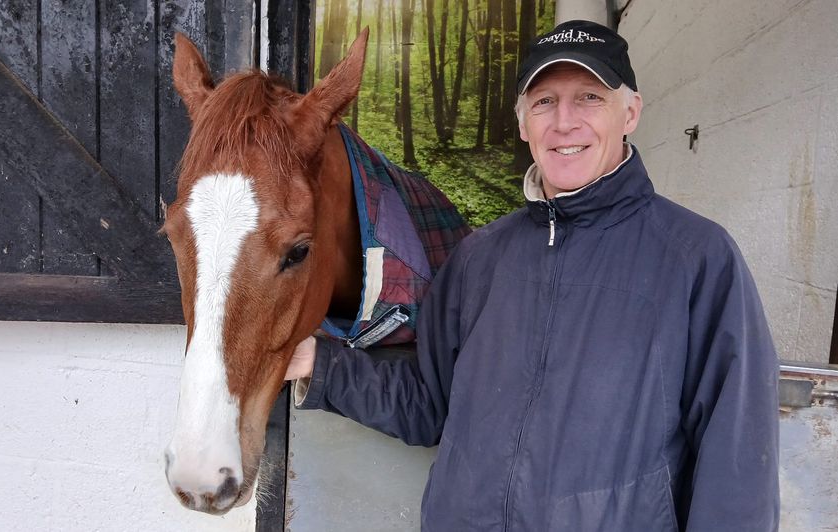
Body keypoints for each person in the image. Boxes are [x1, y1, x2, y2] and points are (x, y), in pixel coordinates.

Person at [286, 19, 780, 531]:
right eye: (544, 101)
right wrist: (318, 364)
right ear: (523, 123)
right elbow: (429, 404)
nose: (564, 122)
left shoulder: (697, 259)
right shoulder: (478, 258)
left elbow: (737, 467)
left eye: (589, 97)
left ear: (630, 112)